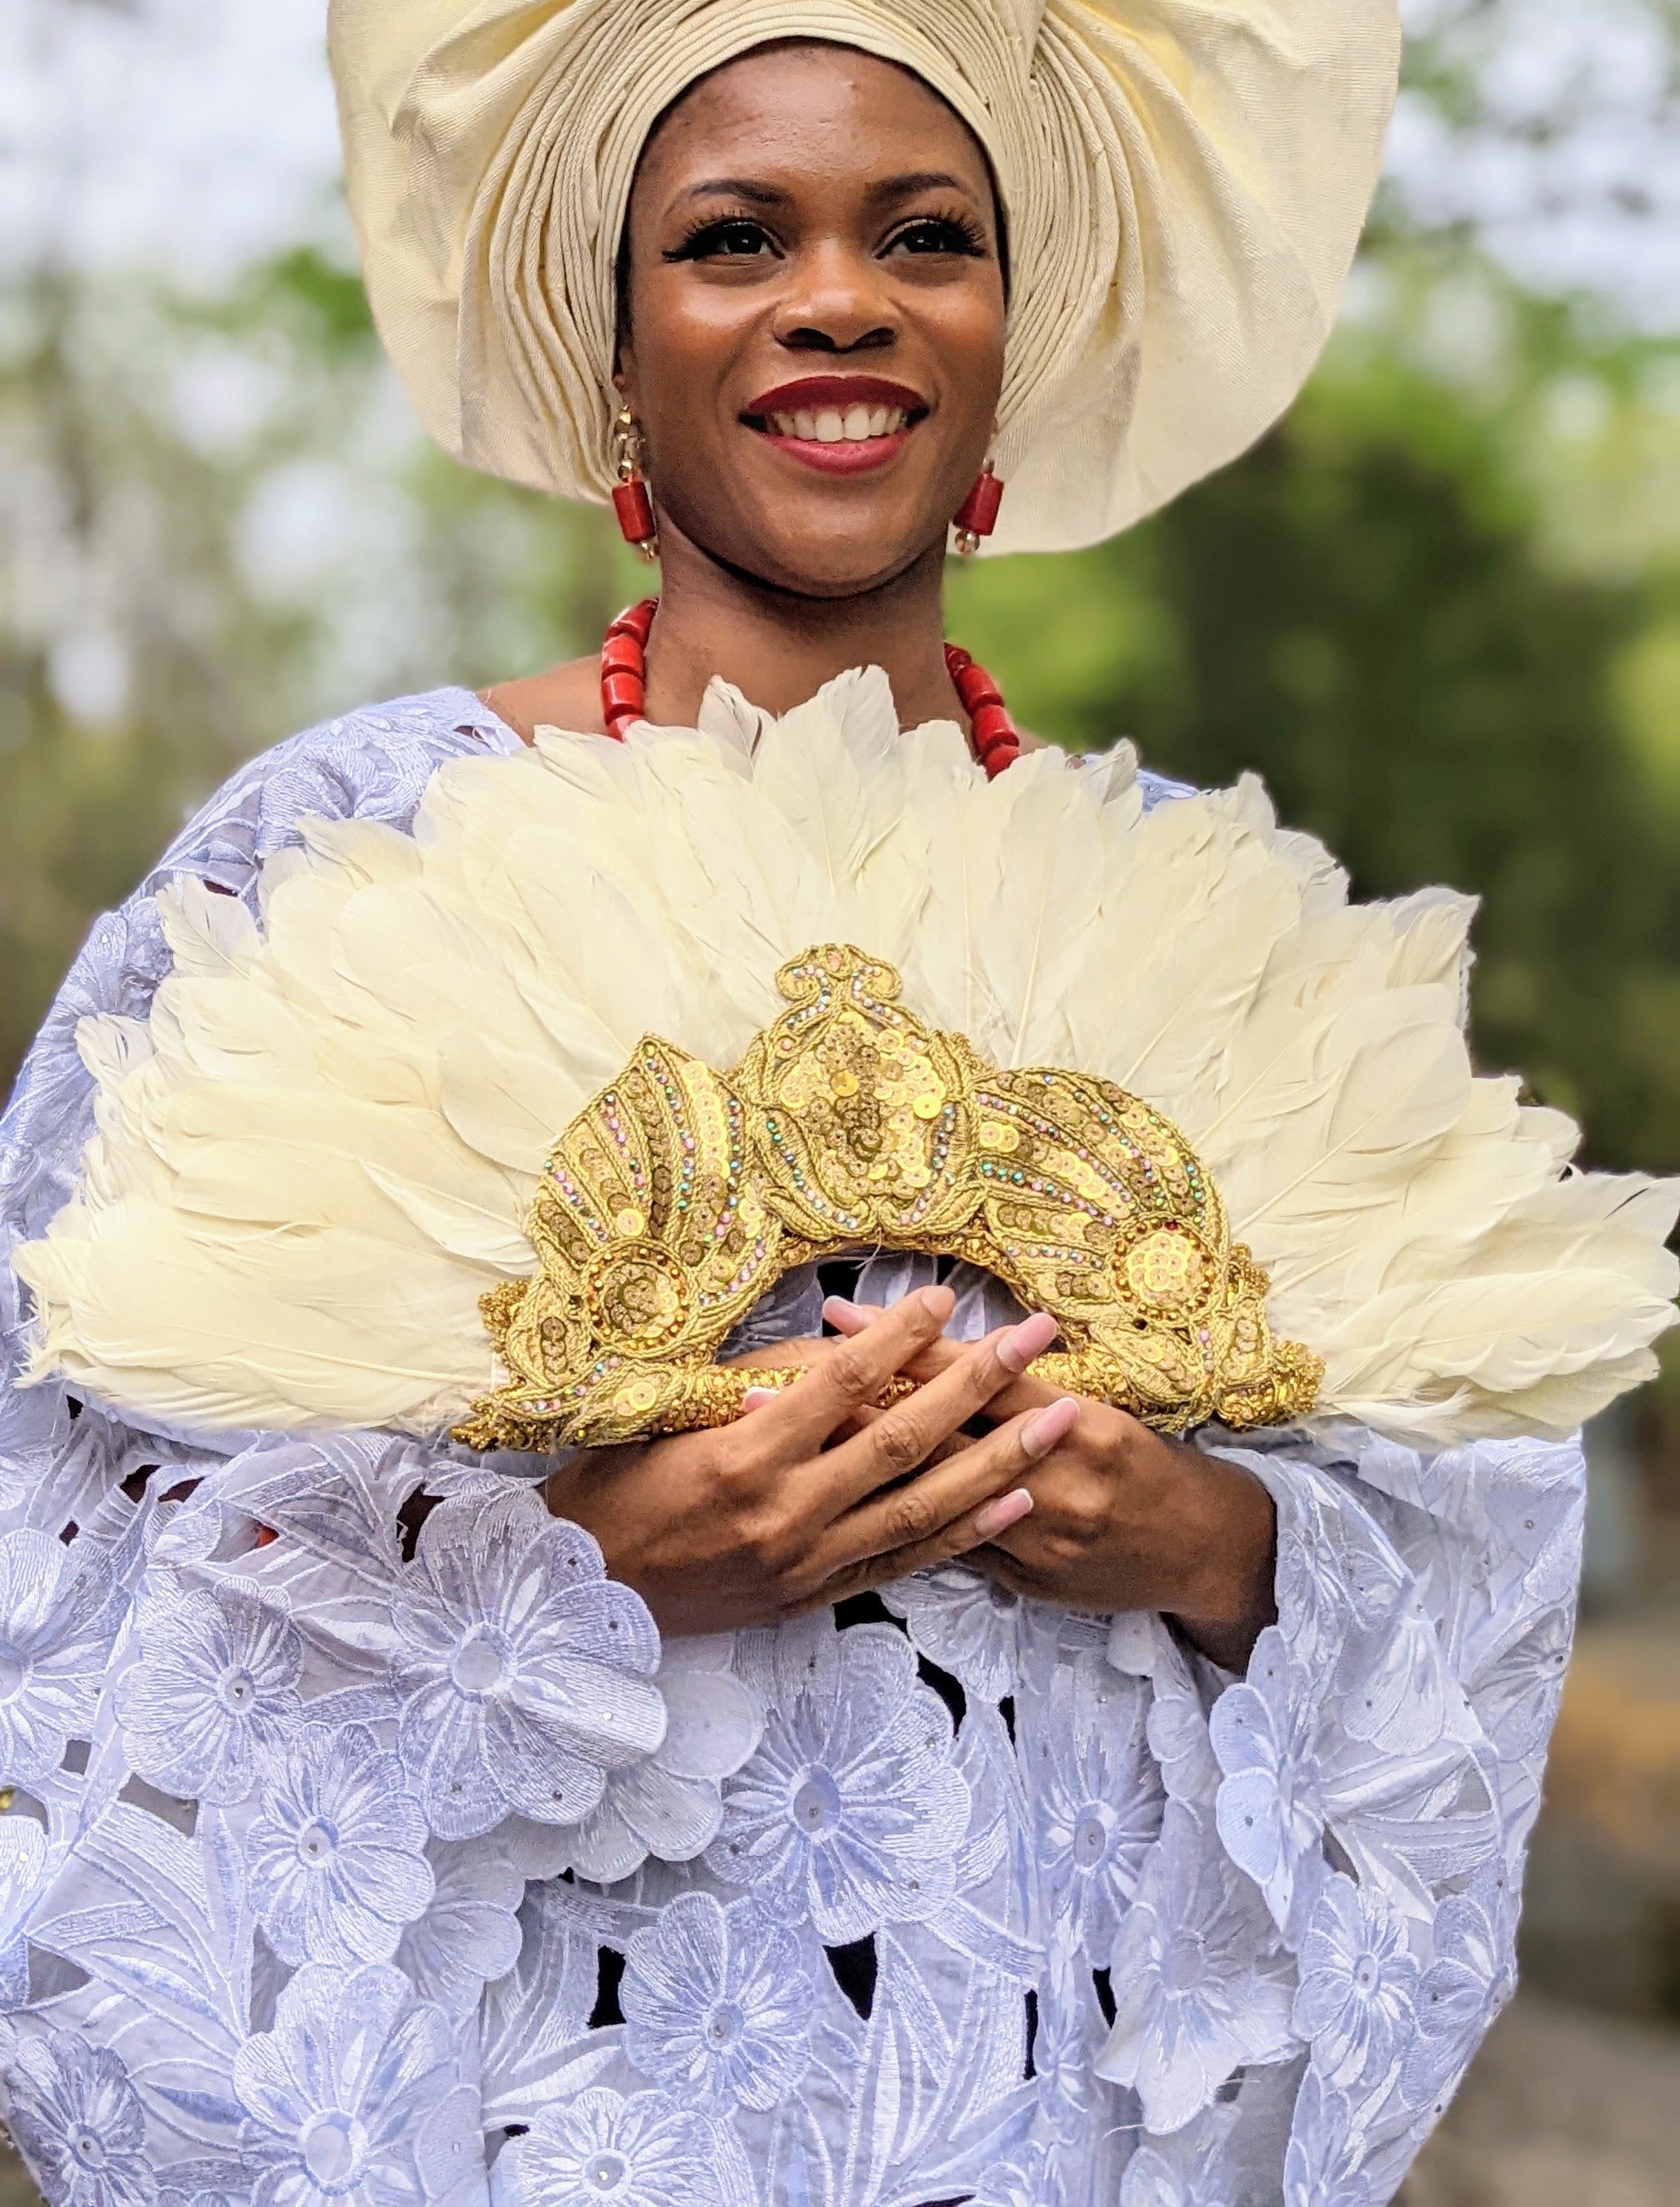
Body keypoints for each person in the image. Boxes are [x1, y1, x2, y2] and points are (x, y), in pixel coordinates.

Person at [0, 7, 1667, 2206]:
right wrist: (573, 1569)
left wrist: (1214, 1543)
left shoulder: (1181, 910)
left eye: (924, 234)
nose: (839, 296)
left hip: (1075, 2127)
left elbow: (1470, 1555)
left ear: (1002, 338)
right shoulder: (336, 858)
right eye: (729, 235)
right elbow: (65, 1595)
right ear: (613, 342)